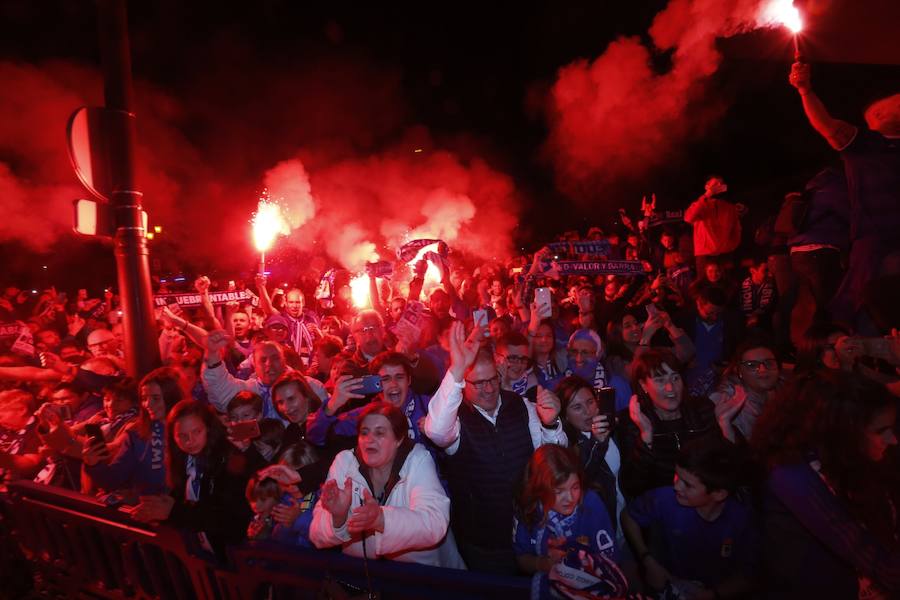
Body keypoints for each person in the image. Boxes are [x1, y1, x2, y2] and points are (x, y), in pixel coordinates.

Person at [423, 321, 567, 574]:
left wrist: (552, 423)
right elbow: (435, 431)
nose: (488, 389)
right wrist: (457, 368)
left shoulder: (521, 406)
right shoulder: (456, 420)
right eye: (477, 383)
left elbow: (552, 457)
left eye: (492, 379)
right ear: (461, 385)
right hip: (484, 543)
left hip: (529, 532)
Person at [752, 371, 900, 597]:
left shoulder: (843, 454)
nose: (893, 440)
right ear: (843, 431)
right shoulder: (792, 473)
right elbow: (854, 541)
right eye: (880, 431)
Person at [789, 62, 900, 328]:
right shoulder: (864, 144)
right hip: (875, 241)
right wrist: (805, 91)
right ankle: (837, 346)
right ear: (878, 114)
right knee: (860, 301)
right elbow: (825, 124)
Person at [310, 401, 464, 568]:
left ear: (398, 440)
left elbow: (434, 523)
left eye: (379, 433)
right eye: (364, 432)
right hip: (364, 580)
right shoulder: (344, 462)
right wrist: (338, 518)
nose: (369, 440)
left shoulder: (417, 460)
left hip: (425, 579)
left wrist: (381, 519)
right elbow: (316, 534)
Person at [621, 439, 758, 598]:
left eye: (687, 484)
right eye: (677, 476)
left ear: (719, 493)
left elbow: (750, 574)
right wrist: (647, 559)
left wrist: (712, 594)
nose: (677, 486)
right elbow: (628, 516)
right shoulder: (665, 499)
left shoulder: (741, 520)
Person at [131, 400, 259, 556]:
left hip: (233, 553)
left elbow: (227, 517)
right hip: (200, 549)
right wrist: (159, 510)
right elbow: (182, 502)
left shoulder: (229, 457)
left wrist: (172, 512)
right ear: (173, 437)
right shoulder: (184, 459)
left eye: (197, 432)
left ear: (208, 429)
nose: (189, 441)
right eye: (182, 436)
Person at [513, 445, 625, 599]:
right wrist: (544, 564)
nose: (570, 498)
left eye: (575, 487)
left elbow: (611, 561)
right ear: (540, 490)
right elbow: (522, 559)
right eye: (559, 491)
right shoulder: (531, 511)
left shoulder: (591, 504)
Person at [618, 349, 719, 499]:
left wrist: (725, 426)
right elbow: (632, 486)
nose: (670, 388)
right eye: (660, 380)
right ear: (643, 385)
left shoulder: (702, 410)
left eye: (675, 378)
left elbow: (721, 466)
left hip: (703, 499)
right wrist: (646, 437)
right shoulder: (632, 420)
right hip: (659, 504)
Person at [83, 368, 183, 496]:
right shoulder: (137, 434)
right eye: (144, 398)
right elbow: (113, 479)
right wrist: (93, 464)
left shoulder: (189, 429)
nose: (148, 404)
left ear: (171, 397)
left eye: (156, 398)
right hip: (146, 510)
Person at [202, 334, 327, 421]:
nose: (269, 364)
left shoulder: (311, 386)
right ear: (254, 366)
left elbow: (324, 423)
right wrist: (212, 354)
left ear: (284, 361)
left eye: (275, 358)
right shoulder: (248, 391)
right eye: (263, 360)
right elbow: (219, 388)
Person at [555, 376, 622, 534]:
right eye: (577, 407)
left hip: (624, 521)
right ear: (565, 415)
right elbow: (583, 478)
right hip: (601, 528)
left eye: (590, 402)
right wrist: (597, 443)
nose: (588, 411)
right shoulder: (567, 448)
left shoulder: (613, 431)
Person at [709, 339, 781, 444]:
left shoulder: (788, 393)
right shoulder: (727, 401)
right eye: (752, 365)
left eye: (769, 363)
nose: (762, 369)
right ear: (739, 372)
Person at [684, 176, 744, 274]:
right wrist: (706, 196)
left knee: (727, 285)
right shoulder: (701, 205)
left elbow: (737, 229)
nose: (719, 186)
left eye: (721, 184)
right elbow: (688, 217)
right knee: (704, 286)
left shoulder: (729, 207)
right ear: (707, 186)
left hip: (725, 253)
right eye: (715, 184)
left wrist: (731, 246)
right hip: (704, 254)